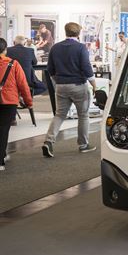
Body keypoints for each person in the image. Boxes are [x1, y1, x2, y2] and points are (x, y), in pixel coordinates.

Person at [41, 22, 97, 157]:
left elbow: (50, 69)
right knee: (83, 115)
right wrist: (94, 85)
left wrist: (58, 81)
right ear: (78, 33)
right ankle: (83, 145)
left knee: (59, 115)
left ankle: (48, 141)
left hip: (61, 87)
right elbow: (86, 68)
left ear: (66, 32)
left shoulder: (55, 47)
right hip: (78, 86)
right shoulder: (81, 48)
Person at [0, 38, 34, 171]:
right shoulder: (13, 64)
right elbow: (23, 85)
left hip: (8, 100)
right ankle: (0, 160)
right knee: (3, 129)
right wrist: (29, 102)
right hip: (9, 101)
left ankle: (2, 154)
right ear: (5, 50)